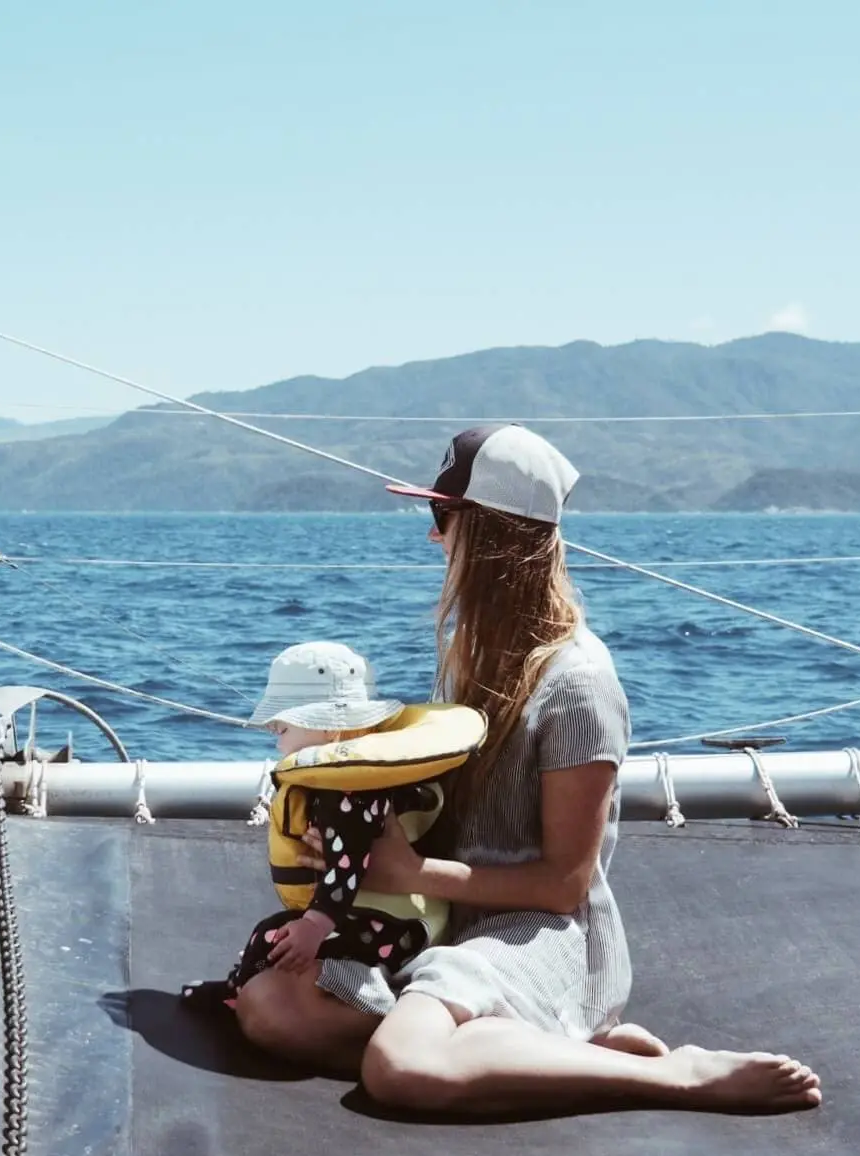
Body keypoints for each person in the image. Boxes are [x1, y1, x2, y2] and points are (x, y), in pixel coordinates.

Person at [233, 423, 823, 1114]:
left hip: (535, 932)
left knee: (402, 1066)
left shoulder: (579, 683)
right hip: (448, 917)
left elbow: (563, 887)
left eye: (441, 515)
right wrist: (355, 845)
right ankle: (553, 1052)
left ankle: (679, 1075)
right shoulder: (470, 654)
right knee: (272, 1006)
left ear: (487, 533)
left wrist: (409, 873)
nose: (433, 536)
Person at [182, 642, 466, 1012]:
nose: (272, 729)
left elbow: (348, 866)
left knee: (271, 936)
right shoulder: (363, 780)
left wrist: (314, 926)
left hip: (395, 931)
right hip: (403, 921)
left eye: (282, 724)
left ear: (329, 730)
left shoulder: (346, 791)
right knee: (279, 932)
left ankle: (241, 993)